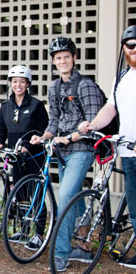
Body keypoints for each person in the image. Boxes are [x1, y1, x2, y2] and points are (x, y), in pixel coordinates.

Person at [30, 36, 104, 271]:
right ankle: (83, 247)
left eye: (65, 57)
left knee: (64, 200)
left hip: (81, 150)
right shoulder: (54, 87)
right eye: (57, 58)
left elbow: (93, 123)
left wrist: (70, 136)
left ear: (74, 58)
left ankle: (60, 255)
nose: (62, 61)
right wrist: (43, 137)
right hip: (62, 150)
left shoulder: (86, 85)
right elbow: (54, 122)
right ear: (54, 62)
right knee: (74, 197)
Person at [78, 25, 136, 269]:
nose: (135, 49)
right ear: (123, 48)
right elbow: (110, 109)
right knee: (135, 207)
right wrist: (91, 125)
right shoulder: (121, 77)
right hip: (128, 152)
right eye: (130, 45)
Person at [0, 65, 49, 250]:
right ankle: (24, 230)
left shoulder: (36, 105)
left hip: (34, 156)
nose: (18, 85)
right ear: (10, 83)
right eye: (14, 81)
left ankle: (39, 234)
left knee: (36, 194)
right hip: (16, 156)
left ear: (28, 84)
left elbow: (43, 129)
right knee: (21, 194)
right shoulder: (5, 106)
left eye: (22, 82)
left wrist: (30, 144)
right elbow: (1, 128)